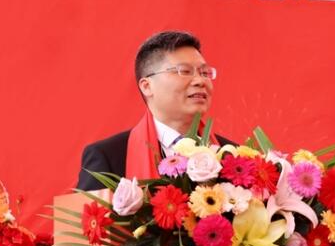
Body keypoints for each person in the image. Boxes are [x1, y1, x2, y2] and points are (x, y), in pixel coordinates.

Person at [76, 31, 235, 190]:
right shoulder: (108, 157)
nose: (200, 81)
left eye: (204, 73)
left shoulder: (233, 156)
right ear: (147, 86)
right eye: (184, 71)